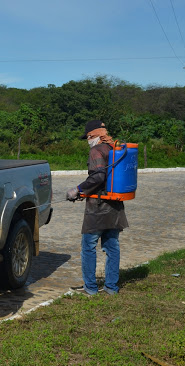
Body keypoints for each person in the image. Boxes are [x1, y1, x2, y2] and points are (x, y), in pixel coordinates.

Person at [66, 120, 129, 296]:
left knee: (88, 247)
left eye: (87, 137)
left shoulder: (96, 151)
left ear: (93, 135)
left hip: (98, 208)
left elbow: (98, 177)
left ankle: (91, 288)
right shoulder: (114, 149)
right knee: (112, 247)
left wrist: (77, 190)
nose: (87, 140)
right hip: (115, 206)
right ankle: (111, 288)